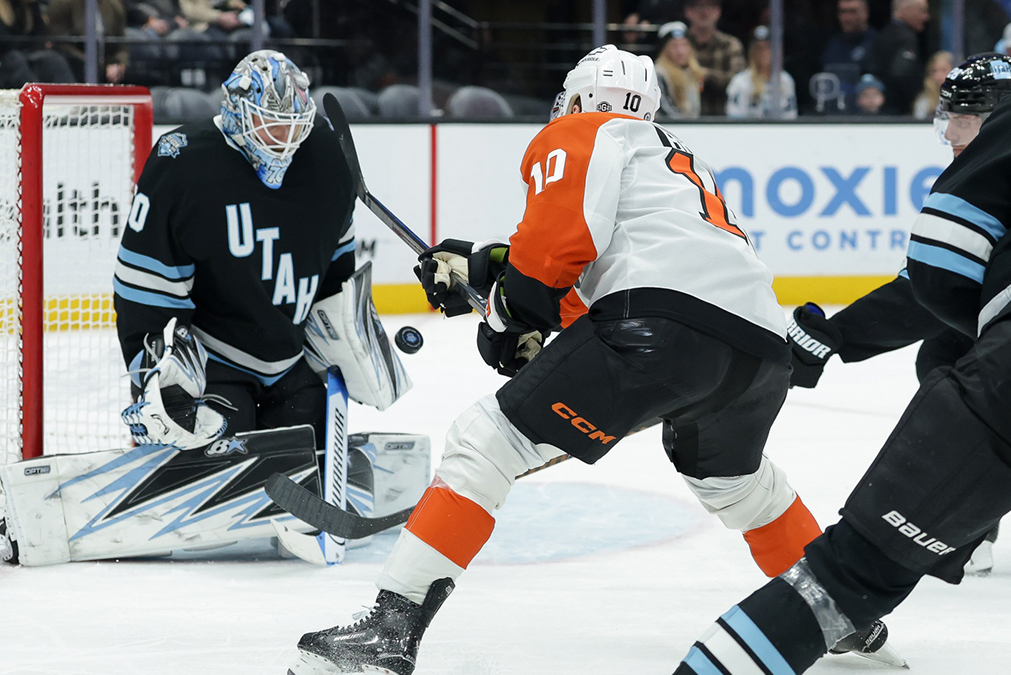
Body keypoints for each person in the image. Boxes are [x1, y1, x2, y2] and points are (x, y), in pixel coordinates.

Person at [287, 44, 893, 675]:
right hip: (758, 354)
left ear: (578, 99)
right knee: (736, 483)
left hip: (662, 331)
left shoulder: (581, 130)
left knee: (486, 443)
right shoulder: (671, 159)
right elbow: (600, 286)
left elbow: (555, 257)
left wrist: (508, 316)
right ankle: (838, 612)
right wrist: (490, 273)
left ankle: (388, 630)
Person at [671, 53, 1011, 675]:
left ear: (989, 117)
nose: (949, 141)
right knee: (951, 351)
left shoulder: (997, 152)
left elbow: (934, 281)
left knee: (850, 572)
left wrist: (830, 336)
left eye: (956, 124)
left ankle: (967, 510)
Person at [113, 49, 356, 452]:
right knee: (210, 470)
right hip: (214, 363)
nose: (286, 142)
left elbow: (336, 264)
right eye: (271, 127)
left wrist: (348, 340)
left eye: (295, 128)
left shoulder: (325, 155)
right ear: (237, 114)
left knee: (308, 460)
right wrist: (155, 376)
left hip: (292, 361)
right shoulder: (183, 163)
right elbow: (144, 287)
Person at [682, 0, 744, 116]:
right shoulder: (677, 45)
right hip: (683, 118)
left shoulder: (730, 44)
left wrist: (705, 75)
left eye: (710, 6)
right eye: (698, 6)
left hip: (723, 118)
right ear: (688, 11)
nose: (704, 12)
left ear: (718, 11)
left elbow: (739, 82)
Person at [871, 0, 929, 115]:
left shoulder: (883, 33)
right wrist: (915, 97)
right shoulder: (905, 38)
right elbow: (902, 74)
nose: (926, 17)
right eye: (922, 11)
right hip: (898, 111)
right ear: (906, 10)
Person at [726, 25, 796, 119]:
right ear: (752, 51)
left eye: (768, 47)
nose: (763, 52)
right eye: (758, 48)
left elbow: (790, 116)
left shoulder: (785, 80)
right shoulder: (740, 81)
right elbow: (734, 117)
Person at [821, 0, 878, 112]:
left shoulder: (877, 43)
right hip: (834, 113)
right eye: (843, 12)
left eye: (853, 12)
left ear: (865, 13)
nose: (847, 17)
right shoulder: (832, 45)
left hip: (867, 114)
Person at [655, 21, 704, 118]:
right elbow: (665, 112)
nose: (680, 51)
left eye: (684, 45)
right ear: (665, 49)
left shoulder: (693, 72)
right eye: (674, 46)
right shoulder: (659, 74)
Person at [912, 50, 954, 119]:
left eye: (943, 70)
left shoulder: (965, 100)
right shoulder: (924, 101)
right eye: (934, 71)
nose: (938, 77)